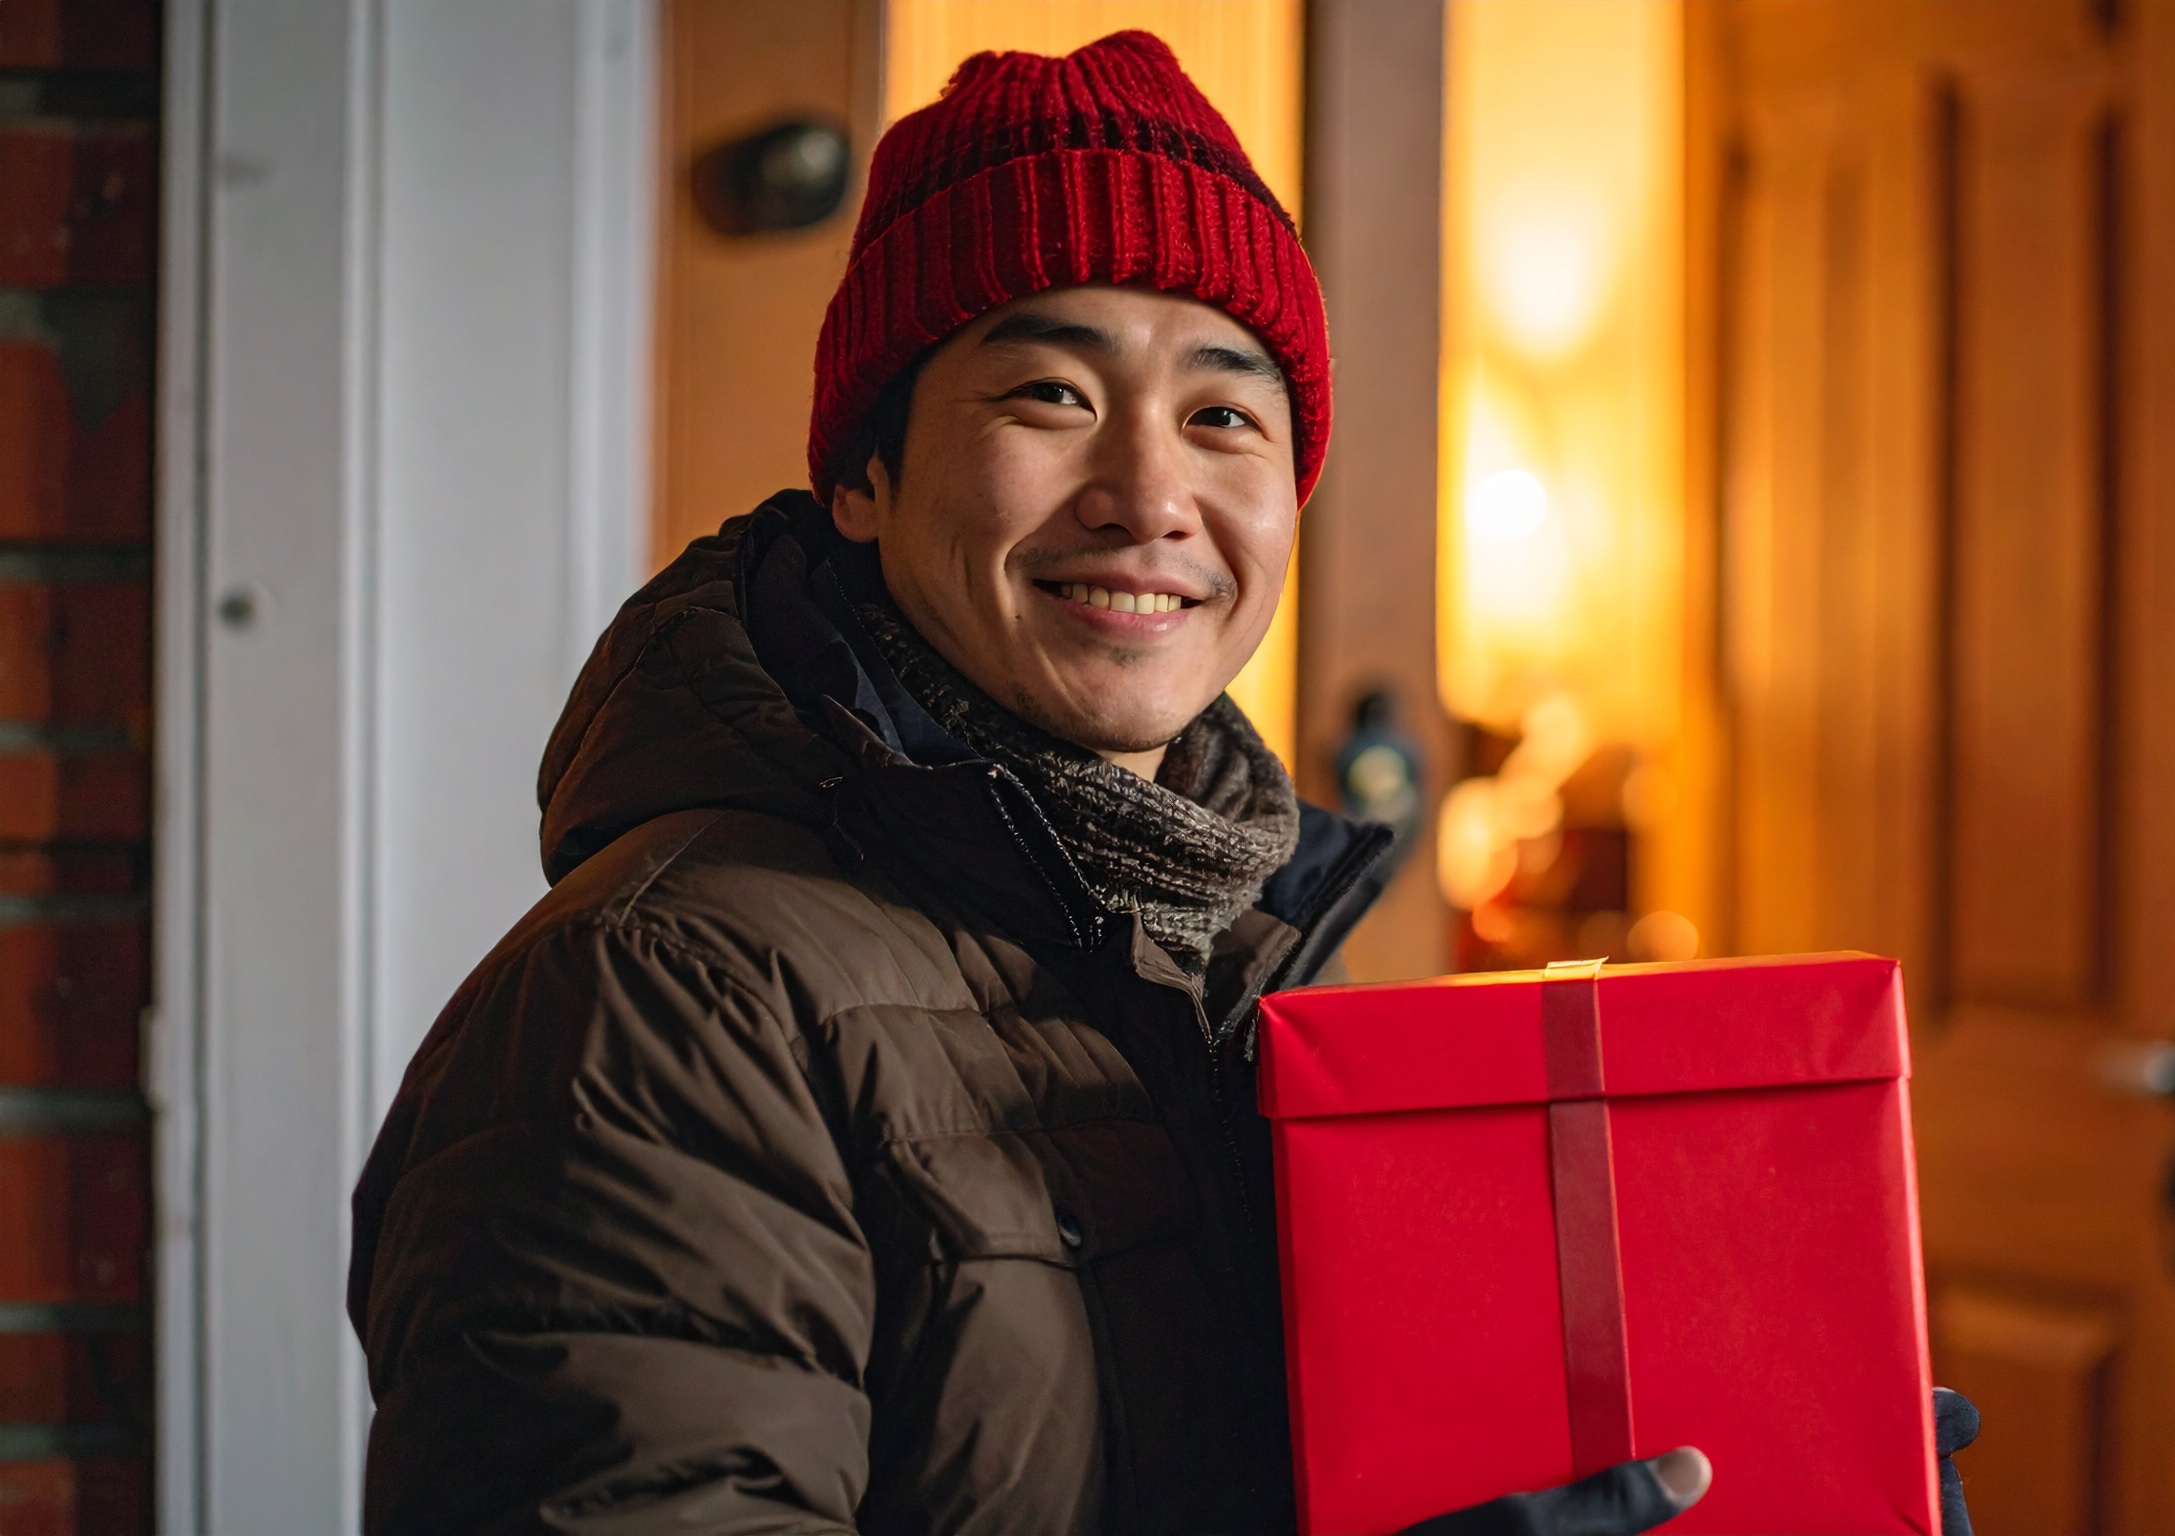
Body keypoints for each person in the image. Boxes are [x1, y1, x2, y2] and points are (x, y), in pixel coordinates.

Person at [346, 32, 1973, 1536]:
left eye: (1222, 414)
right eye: (1051, 395)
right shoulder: (656, 1001)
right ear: (861, 474)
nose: (1149, 494)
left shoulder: (1230, 967)